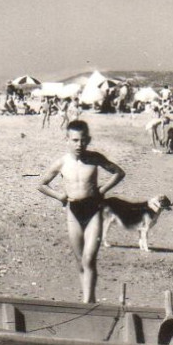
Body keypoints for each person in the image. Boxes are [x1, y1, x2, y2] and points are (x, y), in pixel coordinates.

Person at [37, 120, 125, 304]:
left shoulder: (95, 158)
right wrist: (59, 196)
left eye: (83, 140)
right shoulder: (62, 162)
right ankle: (87, 300)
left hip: (94, 211)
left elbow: (119, 173)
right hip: (73, 212)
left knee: (89, 259)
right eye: (75, 140)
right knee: (80, 261)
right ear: (67, 139)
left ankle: (88, 301)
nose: (79, 145)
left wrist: (102, 190)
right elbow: (41, 185)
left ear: (88, 139)